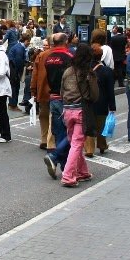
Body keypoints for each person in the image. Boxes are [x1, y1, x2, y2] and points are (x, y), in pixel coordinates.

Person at [58, 43, 99, 188]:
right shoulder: (89, 73)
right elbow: (94, 95)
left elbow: (62, 92)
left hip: (67, 110)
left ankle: (83, 172)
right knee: (77, 144)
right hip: (81, 110)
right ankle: (68, 176)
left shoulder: (68, 71)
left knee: (74, 142)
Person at [42, 33, 76, 178]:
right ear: (66, 41)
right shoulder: (70, 56)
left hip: (53, 97)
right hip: (66, 98)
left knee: (60, 133)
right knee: (72, 133)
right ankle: (55, 157)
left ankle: (64, 166)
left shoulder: (48, 57)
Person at [6, 32, 27, 110]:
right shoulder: (19, 49)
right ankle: (13, 104)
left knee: (13, 87)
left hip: (13, 69)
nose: (28, 43)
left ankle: (12, 104)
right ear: (25, 41)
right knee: (14, 88)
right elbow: (18, 62)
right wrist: (20, 73)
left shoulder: (18, 47)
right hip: (14, 70)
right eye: (28, 41)